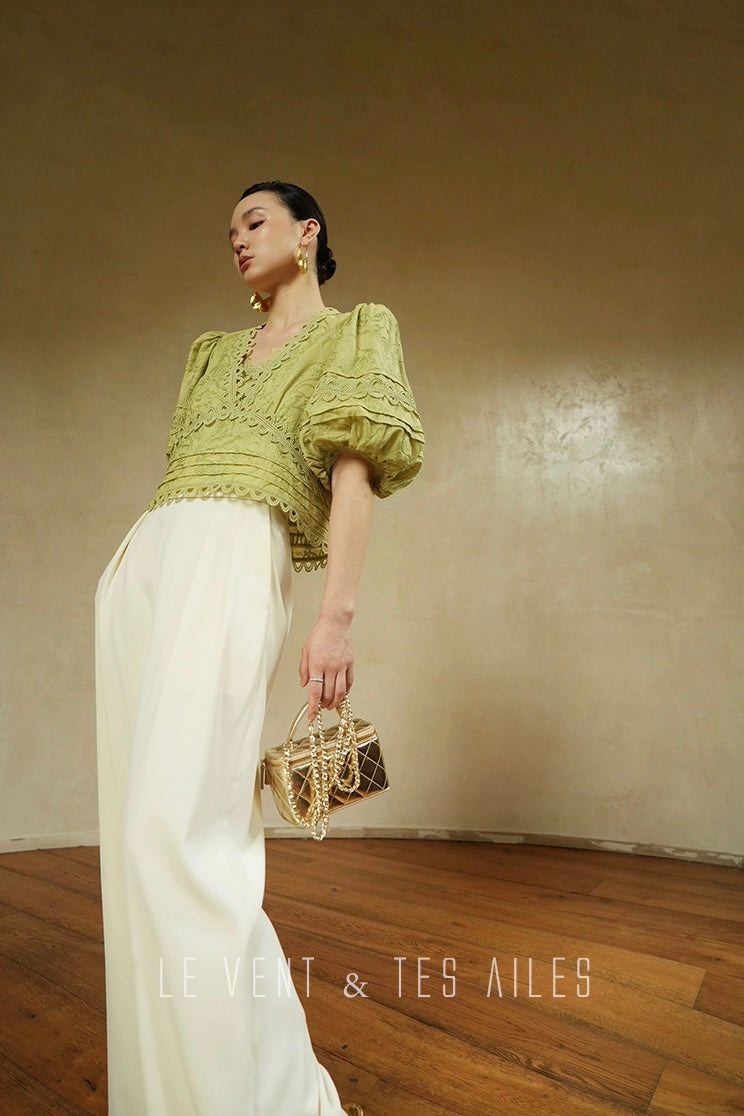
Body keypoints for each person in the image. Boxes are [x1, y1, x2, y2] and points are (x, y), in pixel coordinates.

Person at [93, 180, 425, 1116]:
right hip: (144, 566)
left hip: (235, 555)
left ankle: (263, 1096)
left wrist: (336, 617)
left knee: (182, 837)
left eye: (255, 221)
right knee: (138, 843)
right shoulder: (209, 352)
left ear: (306, 232)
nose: (237, 239)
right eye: (229, 230)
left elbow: (354, 480)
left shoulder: (357, 332)